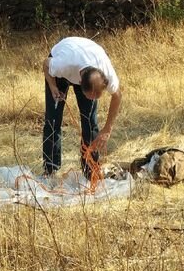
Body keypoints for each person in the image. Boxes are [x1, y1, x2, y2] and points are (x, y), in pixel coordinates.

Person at [41, 36, 124, 175]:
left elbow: (117, 96)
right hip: (64, 59)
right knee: (53, 119)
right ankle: (50, 168)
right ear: (79, 83)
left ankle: (90, 169)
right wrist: (53, 86)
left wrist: (107, 129)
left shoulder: (106, 72)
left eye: (96, 97)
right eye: (90, 96)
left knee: (90, 121)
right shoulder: (62, 65)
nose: (93, 99)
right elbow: (45, 63)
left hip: (85, 57)